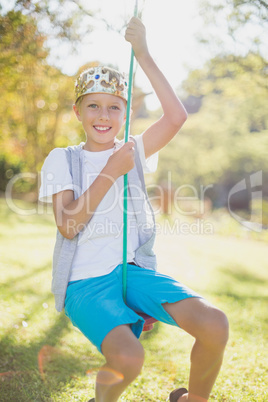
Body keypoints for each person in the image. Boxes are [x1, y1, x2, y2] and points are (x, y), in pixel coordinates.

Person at [39, 17, 228, 402]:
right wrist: (110, 171)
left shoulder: (133, 151)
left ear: (125, 114)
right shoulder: (63, 159)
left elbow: (176, 117)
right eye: (93, 106)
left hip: (132, 273)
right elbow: (69, 225)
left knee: (214, 324)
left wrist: (142, 53)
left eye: (113, 107)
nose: (103, 116)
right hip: (85, 283)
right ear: (78, 112)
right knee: (128, 357)